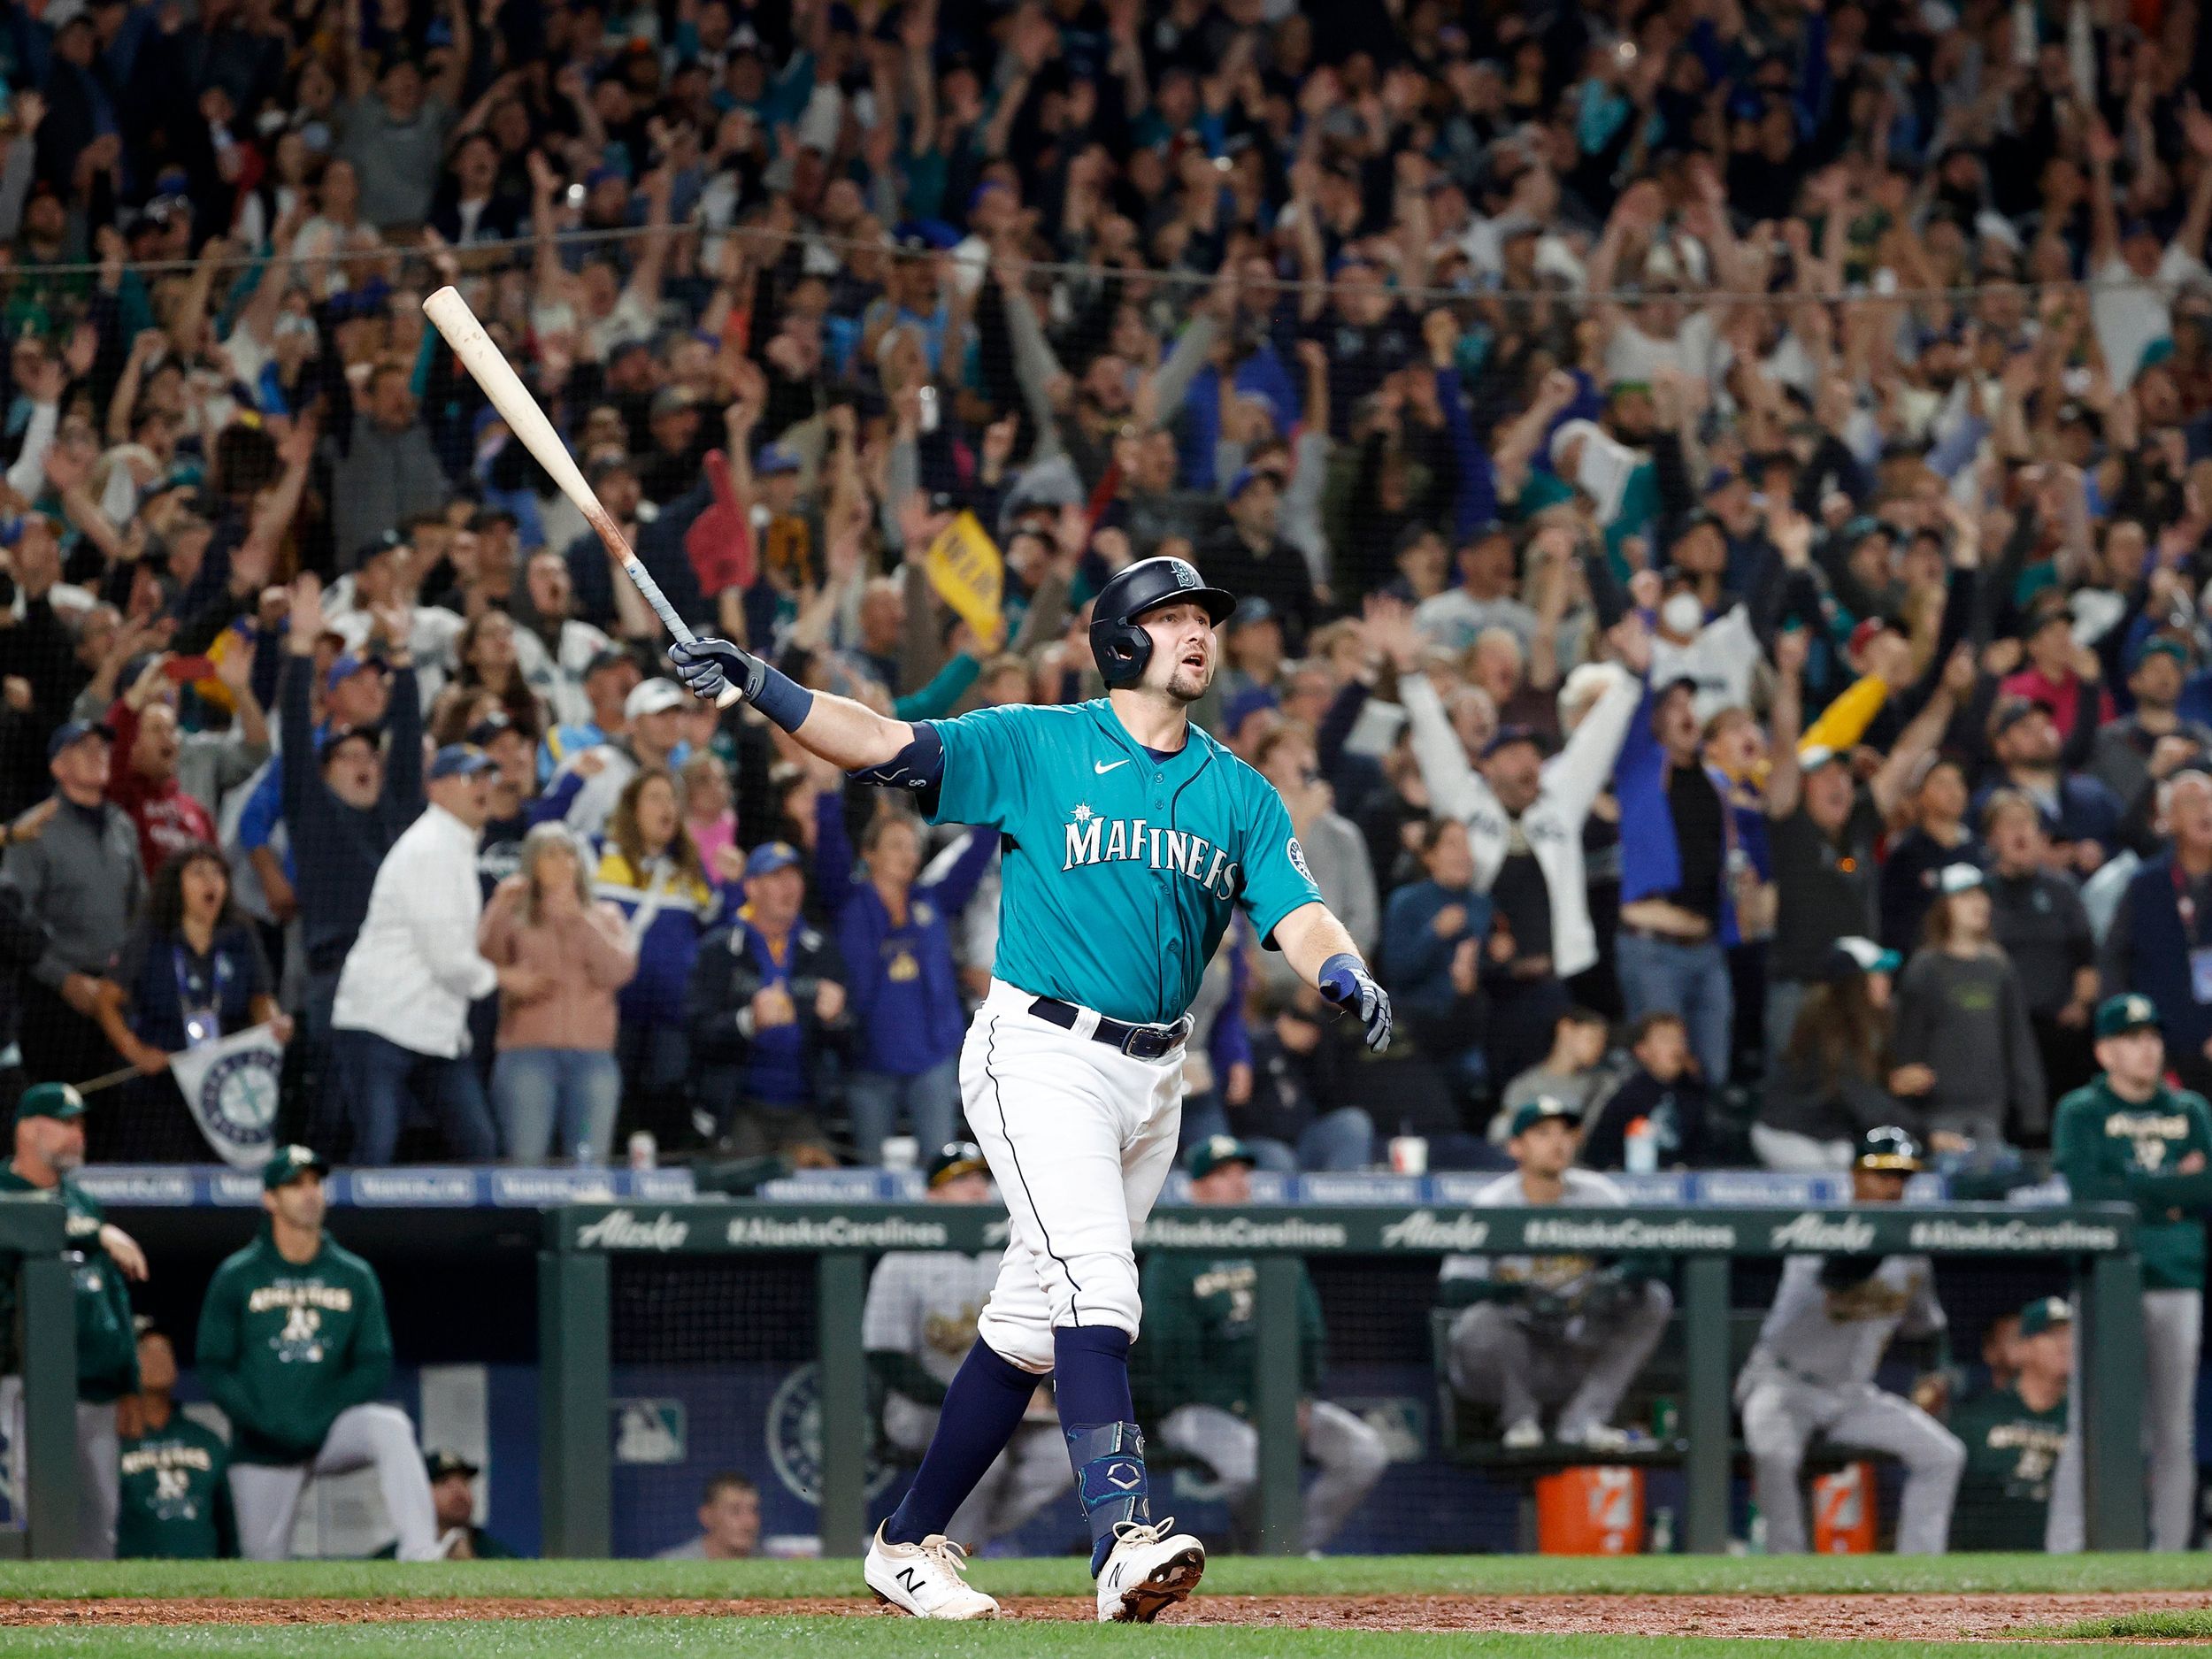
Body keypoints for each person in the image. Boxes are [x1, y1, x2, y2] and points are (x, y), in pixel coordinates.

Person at [667, 554, 1391, 1622]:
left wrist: (1341, 966)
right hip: (1040, 1052)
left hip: (1156, 1077)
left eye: (1204, 619)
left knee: (1027, 1325)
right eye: (1173, 616)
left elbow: (1296, 907)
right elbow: (881, 744)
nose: (1196, 633)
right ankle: (1122, 1541)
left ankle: (907, 1543)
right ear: (1119, 640)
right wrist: (762, 684)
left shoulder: (1237, 787)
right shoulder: (1036, 742)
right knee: (1099, 1289)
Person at [1377, 597, 1642, 1085]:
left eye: (1535, 756)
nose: (1529, 765)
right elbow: (1436, 745)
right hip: (1485, 990)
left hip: (1551, 984)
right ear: (1488, 765)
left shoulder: (1559, 800)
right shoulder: (1466, 803)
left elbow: (1595, 744)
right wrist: (1411, 674)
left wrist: (1630, 678)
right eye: (1515, 755)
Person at [1137, 1138, 1388, 1553]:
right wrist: (1247, 1409)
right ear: (1196, 1190)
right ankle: (1269, 1550)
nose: (1237, 1183)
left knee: (1364, 1452)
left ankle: (1293, 1551)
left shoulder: (1272, 1241)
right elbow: (1171, 1358)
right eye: (1221, 1175)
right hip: (1198, 1408)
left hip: (1282, 1403)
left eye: (1241, 1173)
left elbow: (1309, 1334)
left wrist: (1299, 1397)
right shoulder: (1172, 1257)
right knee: (1248, 1463)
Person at [195, 1145, 443, 1561]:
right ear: (269, 1198)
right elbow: (215, 1366)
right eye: (294, 1185)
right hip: (263, 1443)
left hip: (330, 1432)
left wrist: (318, 1417)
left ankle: (420, 1553)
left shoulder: (353, 1274)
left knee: (389, 1426)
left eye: (315, 1183)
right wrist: (267, 1422)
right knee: (262, 1571)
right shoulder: (238, 1275)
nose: (310, 1193)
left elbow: (373, 1362)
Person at [1736, 1127, 1964, 1555]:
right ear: (1856, 1176)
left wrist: (1937, 1370)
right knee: (1773, 1455)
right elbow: (1840, 1274)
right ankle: (1788, 1572)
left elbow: (1927, 1325)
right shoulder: (1820, 1232)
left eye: (1902, 1177)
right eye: (1882, 1175)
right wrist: (1895, 1236)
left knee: (1943, 1454)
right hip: (1783, 1385)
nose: (1893, 1187)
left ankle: (1919, 1573)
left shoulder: (1910, 1252)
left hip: (1852, 1395)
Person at [2045, 994, 2212, 1552]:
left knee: (2173, 1429)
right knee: (2091, 1423)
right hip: (2105, 1285)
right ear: (2104, 1051)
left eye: (2152, 1037)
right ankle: (2066, 1552)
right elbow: (2089, 1195)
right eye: (2132, 1039)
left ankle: (2167, 1557)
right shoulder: (2080, 1111)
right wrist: (2171, 1185)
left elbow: (2206, 1190)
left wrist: (2134, 1183)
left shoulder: (2189, 1111)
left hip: (2177, 1280)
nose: (2147, 1048)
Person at [329, 747, 534, 1164]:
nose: (482, 787)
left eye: (486, 778)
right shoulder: (430, 848)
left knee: (480, 1146)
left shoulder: (457, 846)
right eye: (469, 778)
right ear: (436, 790)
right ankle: (348, 1231)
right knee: (375, 1148)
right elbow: (447, 960)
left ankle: (480, 1231)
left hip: (433, 1032)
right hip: (380, 1023)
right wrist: (505, 979)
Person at [864, 1142, 1069, 1553]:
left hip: (1008, 1402)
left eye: (980, 1179)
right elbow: (886, 1358)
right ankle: (956, 1550)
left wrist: (1038, 1390)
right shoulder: (902, 1259)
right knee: (982, 1458)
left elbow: (1046, 1336)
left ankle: (961, 1544)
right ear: (931, 1197)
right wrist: (964, 1404)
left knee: (1063, 1458)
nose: (976, 1189)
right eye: (960, 1181)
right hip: (920, 1408)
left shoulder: (1016, 1255)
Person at [1438, 1097, 1674, 1450]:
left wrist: (1617, 1277)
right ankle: (1520, 1421)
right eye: (1543, 1133)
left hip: (1576, 1341)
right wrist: (1516, 1292)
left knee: (1652, 1299)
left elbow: (1654, 1259)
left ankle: (1584, 1421)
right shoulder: (1493, 1203)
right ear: (1516, 1147)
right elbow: (1453, 1287)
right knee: (1478, 1324)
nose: (1558, 1142)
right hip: (1519, 1349)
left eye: (1566, 1132)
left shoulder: (1598, 1194)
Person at [0, 1083, 143, 1558]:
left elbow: (112, 1296)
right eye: (65, 1122)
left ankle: (92, 1627)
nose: (77, 1134)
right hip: (21, 1385)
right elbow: (24, 1225)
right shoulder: (5, 1193)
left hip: (94, 1389)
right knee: (28, 1511)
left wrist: (129, 1381)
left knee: (100, 1523)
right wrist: (97, 1232)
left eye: (80, 1123)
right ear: (27, 1128)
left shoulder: (84, 1202)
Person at [94, 843, 289, 1164]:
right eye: (198, 873)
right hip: (162, 1080)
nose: (210, 881)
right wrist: (135, 1051)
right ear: (176, 885)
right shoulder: (151, 933)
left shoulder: (240, 933)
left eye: (218, 874)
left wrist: (273, 1024)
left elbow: (261, 997)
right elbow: (106, 999)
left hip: (222, 1081)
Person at [4, 720, 146, 1118]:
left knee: (114, 1110)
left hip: (116, 994)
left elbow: (141, 909)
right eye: (84, 748)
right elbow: (16, 921)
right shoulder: (33, 829)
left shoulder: (122, 824)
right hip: (55, 999)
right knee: (57, 1108)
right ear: (57, 766)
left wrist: (128, 977)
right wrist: (64, 979)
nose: (99, 754)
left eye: (103, 747)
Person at [478, 824, 637, 1164]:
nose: (564, 862)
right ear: (532, 863)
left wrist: (580, 920)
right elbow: (484, 964)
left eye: (570, 854)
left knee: (590, 1169)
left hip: (593, 1059)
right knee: (525, 1165)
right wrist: (498, 908)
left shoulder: (605, 915)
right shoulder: (516, 912)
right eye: (551, 854)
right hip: (527, 1056)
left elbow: (619, 971)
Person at [686, 841, 847, 1162]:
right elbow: (696, 1032)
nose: (789, 887)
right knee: (741, 1193)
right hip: (740, 1106)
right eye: (776, 877)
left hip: (804, 1106)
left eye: (794, 877)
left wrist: (836, 1020)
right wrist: (747, 1021)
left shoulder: (821, 949)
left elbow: (853, 1039)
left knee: (824, 1195)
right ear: (751, 887)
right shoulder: (720, 949)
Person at [590, 768, 716, 1146]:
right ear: (632, 808)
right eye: (656, 797)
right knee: (617, 1104)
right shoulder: (597, 854)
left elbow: (717, 929)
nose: (668, 807)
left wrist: (738, 885)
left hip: (671, 1016)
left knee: (666, 1101)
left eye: (673, 799)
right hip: (614, 1010)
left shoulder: (690, 869)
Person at [1890, 865, 2047, 1150]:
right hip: (1937, 1113)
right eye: (1965, 896)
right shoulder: (1925, 968)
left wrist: (2032, 1111)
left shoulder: (1998, 966)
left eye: (1982, 896)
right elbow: (1907, 1042)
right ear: (1944, 906)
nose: (1979, 904)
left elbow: (2018, 1040)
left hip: (1990, 1111)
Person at [1753, 939, 1916, 1171]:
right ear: (1854, 983)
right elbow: (1862, 1099)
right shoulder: (1828, 1029)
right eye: (1876, 974)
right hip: (1787, 1132)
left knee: (1846, 1164)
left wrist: (1892, 1083)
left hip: (1829, 1135)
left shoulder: (1872, 1025)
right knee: (1823, 1178)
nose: (1886, 982)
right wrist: (1926, 1134)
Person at [2101, 770, 2212, 1098]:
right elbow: (2113, 961)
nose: (2207, 810)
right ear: (2168, 819)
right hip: (2161, 1052)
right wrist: (2124, 1035)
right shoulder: (2144, 885)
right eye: (2193, 802)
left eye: (2211, 801)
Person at [1947, 1298, 2070, 1553]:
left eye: (2072, 1335)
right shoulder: (1978, 1416)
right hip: (1980, 1560)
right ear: (2023, 1348)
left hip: (2062, 1559)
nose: (2066, 1345)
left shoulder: (2089, 1424)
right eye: (2051, 1336)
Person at [116, 1327, 234, 1559]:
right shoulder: (114, 1443)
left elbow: (228, 1524)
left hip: (205, 1578)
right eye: (146, 1351)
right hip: (130, 1579)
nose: (158, 1358)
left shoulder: (206, 1441)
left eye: (164, 1350)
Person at [1579, 1011, 1710, 1171]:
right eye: (1665, 1039)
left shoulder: (1695, 1092)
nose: (1676, 1047)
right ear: (1642, 1050)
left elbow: (1704, 1151)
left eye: (1679, 1039)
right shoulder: (1627, 1096)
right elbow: (1598, 1153)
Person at [416, 1451, 516, 1559]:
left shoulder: (498, 1554)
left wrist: (472, 1563)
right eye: (444, 1482)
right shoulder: (400, 1554)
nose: (459, 1491)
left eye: (464, 1482)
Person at [655, 1471, 762, 1560]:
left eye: (754, 1510)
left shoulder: (772, 1565)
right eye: (735, 1511)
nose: (749, 1522)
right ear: (707, 1516)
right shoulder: (671, 1566)